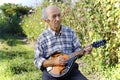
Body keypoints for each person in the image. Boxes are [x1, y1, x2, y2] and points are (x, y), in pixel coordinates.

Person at [34, 5, 93, 80]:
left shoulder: (70, 32)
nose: (58, 19)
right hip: (51, 73)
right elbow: (37, 60)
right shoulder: (42, 38)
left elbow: (77, 49)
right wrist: (53, 62)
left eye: (59, 15)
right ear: (46, 20)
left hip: (70, 70)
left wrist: (84, 51)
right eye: (54, 16)